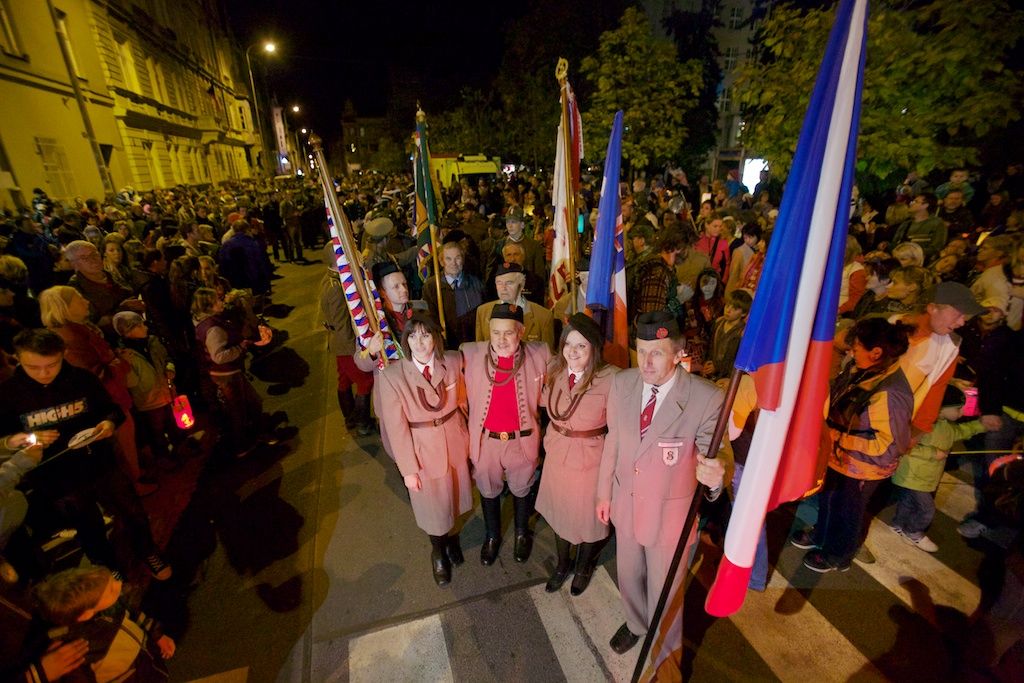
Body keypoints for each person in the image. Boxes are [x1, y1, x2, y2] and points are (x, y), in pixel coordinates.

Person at [596, 311, 728, 655]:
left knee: (666, 592)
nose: (646, 362)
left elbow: (713, 456)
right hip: (626, 505)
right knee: (628, 577)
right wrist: (604, 493)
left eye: (656, 353)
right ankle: (636, 624)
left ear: (678, 353)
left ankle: (664, 653)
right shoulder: (622, 383)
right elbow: (614, 441)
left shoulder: (705, 398)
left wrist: (715, 477)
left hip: (669, 518)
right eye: (641, 351)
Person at [0, 329, 171, 580]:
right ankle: (106, 565)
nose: (44, 373)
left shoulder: (81, 379)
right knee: (87, 524)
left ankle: (147, 551)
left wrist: (108, 423)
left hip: (99, 462)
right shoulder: (9, 394)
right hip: (55, 475)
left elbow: (111, 410)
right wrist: (19, 439)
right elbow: (4, 439)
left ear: (63, 354)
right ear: (17, 359)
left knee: (131, 510)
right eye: (33, 367)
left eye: (52, 365)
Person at [794, 317, 914, 573]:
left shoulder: (890, 393)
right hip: (839, 458)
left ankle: (837, 555)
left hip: (862, 468)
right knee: (829, 499)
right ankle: (821, 534)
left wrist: (837, 437)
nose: (851, 352)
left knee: (847, 512)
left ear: (876, 352)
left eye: (857, 347)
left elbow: (888, 446)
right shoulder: (863, 370)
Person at [376, 313, 472, 586]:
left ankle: (452, 539)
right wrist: (408, 469)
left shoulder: (451, 361)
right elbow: (396, 428)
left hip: (454, 441)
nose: (419, 342)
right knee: (433, 507)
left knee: (455, 498)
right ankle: (438, 551)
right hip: (422, 451)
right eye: (413, 336)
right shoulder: (392, 377)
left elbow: (463, 401)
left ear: (436, 338)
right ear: (405, 340)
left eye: (426, 335)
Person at [461, 302, 551, 565]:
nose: (501, 340)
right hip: (485, 441)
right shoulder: (469, 354)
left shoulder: (540, 354)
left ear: (520, 332)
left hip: (521, 440)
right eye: (496, 332)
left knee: (522, 488)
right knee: (487, 489)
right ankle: (492, 536)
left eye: (508, 332)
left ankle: (522, 533)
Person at [39, 285, 152, 494]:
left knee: (125, 440)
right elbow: (94, 376)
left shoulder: (77, 329)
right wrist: (119, 363)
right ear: (65, 307)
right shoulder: (71, 338)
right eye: (79, 299)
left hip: (111, 395)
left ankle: (134, 475)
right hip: (109, 399)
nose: (86, 301)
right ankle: (134, 483)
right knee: (121, 442)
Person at [537, 313, 617, 596]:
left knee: (587, 519)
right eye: (568, 344)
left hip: (589, 461)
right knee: (560, 513)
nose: (573, 351)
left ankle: (583, 567)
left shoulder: (611, 379)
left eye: (581, 345)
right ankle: (562, 564)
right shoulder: (555, 370)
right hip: (557, 455)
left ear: (594, 348)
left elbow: (618, 430)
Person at [888, 385, 987, 552]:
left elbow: (961, 431)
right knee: (927, 509)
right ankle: (913, 531)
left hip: (922, 477)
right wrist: (933, 453)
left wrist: (981, 425)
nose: (962, 412)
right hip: (913, 475)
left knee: (907, 502)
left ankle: (898, 524)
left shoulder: (946, 426)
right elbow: (906, 447)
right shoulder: (924, 424)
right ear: (941, 409)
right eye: (958, 408)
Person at [33, 566, 174, 681]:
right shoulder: (78, 653)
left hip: (148, 662)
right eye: (111, 589)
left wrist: (157, 635)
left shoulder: (109, 606)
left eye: (113, 579)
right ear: (86, 614)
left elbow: (133, 613)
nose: (119, 584)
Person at [319, 244, 374, 434]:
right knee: (365, 381)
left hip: (337, 342)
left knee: (344, 379)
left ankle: (350, 417)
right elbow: (342, 323)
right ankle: (362, 422)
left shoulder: (330, 279)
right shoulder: (337, 287)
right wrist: (356, 352)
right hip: (345, 344)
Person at [475, 262, 555, 350]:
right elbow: (481, 352)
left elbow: (547, 355)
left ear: (521, 285)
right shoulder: (483, 312)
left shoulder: (543, 317)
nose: (503, 288)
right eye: (499, 283)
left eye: (509, 283)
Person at [422, 240, 484, 349]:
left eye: (457, 258)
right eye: (448, 259)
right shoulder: (431, 286)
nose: (453, 263)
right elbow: (430, 318)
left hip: (473, 345)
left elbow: (482, 316)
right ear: (442, 262)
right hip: (447, 346)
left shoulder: (475, 283)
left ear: (463, 260)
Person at [702, 289, 752, 383]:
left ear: (744, 313)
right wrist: (706, 363)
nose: (728, 310)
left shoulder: (743, 332)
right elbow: (710, 346)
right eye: (728, 305)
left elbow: (737, 359)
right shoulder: (718, 323)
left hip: (728, 377)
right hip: (712, 373)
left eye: (735, 309)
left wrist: (718, 367)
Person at [892, 194, 946, 261]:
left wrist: (913, 252)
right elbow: (895, 243)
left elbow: (937, 247)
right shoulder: (906, 223)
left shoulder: (937, 223)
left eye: (915, 201)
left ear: (925, 205)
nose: (911, 203)